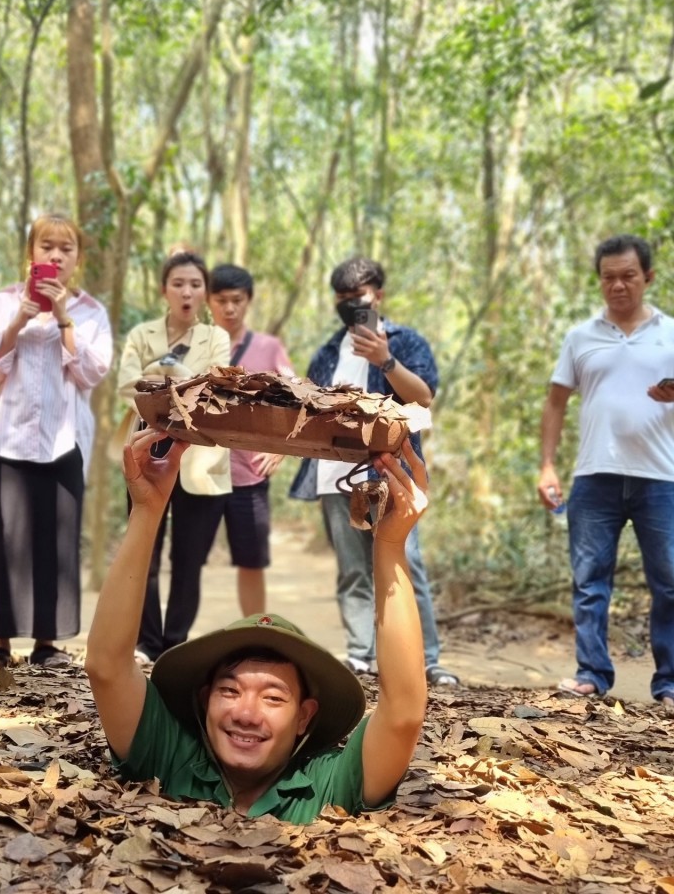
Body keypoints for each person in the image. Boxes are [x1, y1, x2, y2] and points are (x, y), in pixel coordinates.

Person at [85, 428, 429, 824]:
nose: (246, 713)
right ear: (204, 699)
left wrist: (389, 546)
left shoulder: (329, 783)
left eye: (273, 698)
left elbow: (403, 713)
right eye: (229, 690)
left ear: (304, 716)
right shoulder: (169, 757)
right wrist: (146, 511)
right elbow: (106, 667)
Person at [538, 234, 674, 709]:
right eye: (609, 276)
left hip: (662, 478)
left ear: (647, 278)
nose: (618, 285)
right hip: (595, 476)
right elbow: (555, 404)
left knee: (670, 582)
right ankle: (592, 673)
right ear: (599, 281)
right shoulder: (580, 336)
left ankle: (671, 681)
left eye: (628, 275)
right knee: (590, 580)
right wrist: (547, 466)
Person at [289, 256, 458, 686]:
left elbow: (423, 398)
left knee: (404, 564)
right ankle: (361, 656)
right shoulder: (328, 352)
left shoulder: (405, 342)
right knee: (352, 570)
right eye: (342, 299)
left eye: (358, 297)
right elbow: (309, 409)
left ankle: (426, 661)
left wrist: (385, 361)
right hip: (334, 474)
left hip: (389, 472)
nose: (350, 306)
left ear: (378, 296)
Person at [0, 213, 112, 668]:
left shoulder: (90, 311)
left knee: (58, 538)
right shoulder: (2, 302)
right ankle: (1, 643)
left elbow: (92, 372)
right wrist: (17, 322)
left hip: (66, 439)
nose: (55, 256)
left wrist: (64, 319)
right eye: (46, 246)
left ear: (78, 259)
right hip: (11, 435)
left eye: (65, 249)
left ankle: (47, 644)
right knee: (9, 536)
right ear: (31, 253)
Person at [116, 249, 231, 663]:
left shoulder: (217, 338)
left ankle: (175, 643)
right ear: (164, 289)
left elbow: (216, 389)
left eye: (195, 284)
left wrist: (158, 378)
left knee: (188, 560)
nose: (186, 291)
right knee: (142, 550)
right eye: (178, 283)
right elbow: (126, 386)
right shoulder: (141, 334)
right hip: (147, 449)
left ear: (205, 292)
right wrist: (178, 382)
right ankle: (146, 643)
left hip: (199, 458)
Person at [207, 263, 295, 615]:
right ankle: (169, 644)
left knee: (251, 560)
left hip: (249, 475)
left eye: (237, 300)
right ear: (209, 301)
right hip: (200, 475)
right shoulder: (196, 345)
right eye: (222, 300)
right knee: (186, 561)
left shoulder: (269, 347)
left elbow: (300, 397)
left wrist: (282, 449)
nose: (229, 308)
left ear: (248, 302)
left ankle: (254, 631)